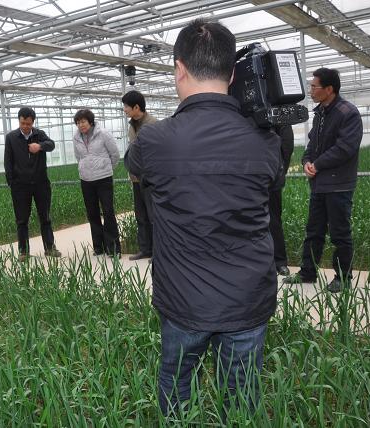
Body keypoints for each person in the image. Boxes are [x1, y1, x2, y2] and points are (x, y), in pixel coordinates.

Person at [125, 19, 280, 416]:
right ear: (232, 74)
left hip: (183, 300)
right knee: (242, 396)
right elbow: (273, 177)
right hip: (247, 298)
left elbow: (133, 163)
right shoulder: (266, 140)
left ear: (179, 69)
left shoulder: (154, 140)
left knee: (176, 385)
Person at [284, 68, 363, 293]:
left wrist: (317, 165)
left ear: (329, 89)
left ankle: (343, 278)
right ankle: (307, 272)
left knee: (340, 233)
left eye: (314, 86)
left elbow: (345, 148)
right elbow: (313, 144)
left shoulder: (348, 113)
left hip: (339, 185)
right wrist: (307, 161)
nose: (310, 90)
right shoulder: (321, 113)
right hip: (319, 184)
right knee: (314, 231)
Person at [4, 107, 61, 261]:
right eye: (22, 123)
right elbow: (8, 161)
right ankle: (24, 251)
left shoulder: (39, 134)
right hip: (20, 186)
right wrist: (11, 182)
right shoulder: (11, 137)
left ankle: (50, 247)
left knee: (45, 217)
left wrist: (40, 146)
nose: (25, 126)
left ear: (33, 122)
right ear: (19, 121)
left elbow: (51, 144)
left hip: (41, 183)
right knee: (22, 220)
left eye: (28, 124)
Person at [72, 109, 121, 256]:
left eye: (83, 121)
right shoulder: (76, 138)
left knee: (108, 211)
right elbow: (78, 157)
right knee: (92, 213)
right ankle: (98, 247)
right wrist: (84, 168)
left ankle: (113, 248)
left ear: (90, 121)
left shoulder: (103, 133)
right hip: (86, 180)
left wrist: (106, 167)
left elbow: (115, 154)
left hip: (103, 179)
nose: (81, 125)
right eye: (78, 122)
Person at [122, 90, 158, 261]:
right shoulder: (132, 125)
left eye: (126, 106)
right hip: (136, 179)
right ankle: (145, 249)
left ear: (136, 107)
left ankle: (158, 252)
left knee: (153, 216)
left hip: (150, 180)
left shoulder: (152, 124)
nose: (124, 109)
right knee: (141, 215)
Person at [270, 125, 295, 276]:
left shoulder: (278, 113)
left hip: (271, 176)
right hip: (247, 175)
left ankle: (279, 261)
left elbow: (287, 143)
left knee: (273, 220)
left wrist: (280, 171)